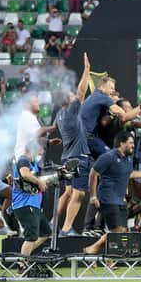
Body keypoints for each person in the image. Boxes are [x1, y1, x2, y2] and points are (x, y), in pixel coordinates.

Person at [84, 131, 141, 254]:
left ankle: (102, 254)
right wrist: (93, 196)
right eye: (131, 143)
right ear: (122, 143)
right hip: (107, 199)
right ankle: (96, 251)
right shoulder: (108, 156)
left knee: (122, 231)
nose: (133, 146)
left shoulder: (128, 159)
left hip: (120, 201)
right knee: (118, 231)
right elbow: (93, 174)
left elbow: (130, 174)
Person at [56, 54, 91, 237]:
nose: (73, 96)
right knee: (79, 194)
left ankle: (53, 222)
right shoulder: (69, 114)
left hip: (67, 157)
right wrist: (86, 70)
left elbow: (54, 128)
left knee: (68, 192)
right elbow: (81, 92)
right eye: (70, 96)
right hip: (78, 158)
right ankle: (66, 228)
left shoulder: (59, 116)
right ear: (67, 101)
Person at [12, 138, 51, 258]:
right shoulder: (23, 160)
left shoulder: (33, 163)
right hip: (25, 204)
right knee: (31, 237)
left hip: (33, 205)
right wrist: (39, 182)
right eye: (42, 148)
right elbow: (24, 173)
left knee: (45, 233)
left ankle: (23, 256)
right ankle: (22, 263)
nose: (43, 152)